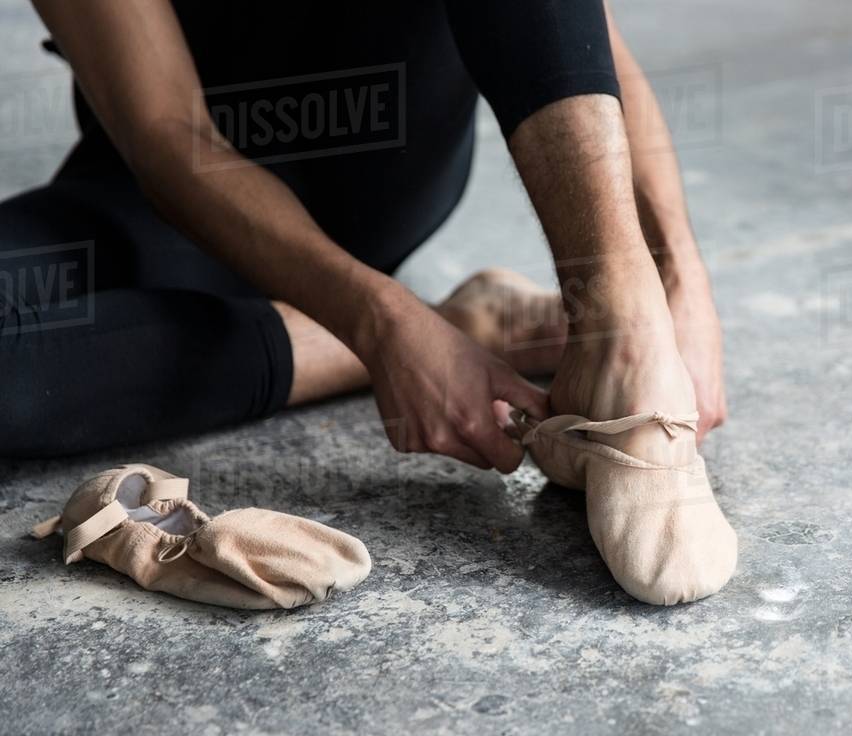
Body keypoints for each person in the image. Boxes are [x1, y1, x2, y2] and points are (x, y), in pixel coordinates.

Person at [0, 0, 726, 472]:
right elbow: (170, 137)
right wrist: (381, 323)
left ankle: (620, 327)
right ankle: (466, 325)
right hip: (180, 202)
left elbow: (580, 39)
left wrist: (677, 279)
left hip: (382, 162)